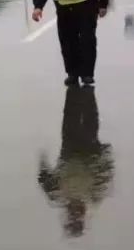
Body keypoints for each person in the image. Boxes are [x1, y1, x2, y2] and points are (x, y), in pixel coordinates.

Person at [37, 86, 114, 238]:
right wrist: (105, 154)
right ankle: (84, 88)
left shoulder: (59, 195)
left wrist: (43, 162)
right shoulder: (93, 197)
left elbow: (43, 177)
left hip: (71, 151)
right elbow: (106, 172)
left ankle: (79, 86)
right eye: (77, 216)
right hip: (87, 151)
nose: (76, 213)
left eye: (73, 215)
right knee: (88, 118)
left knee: (74, 118)